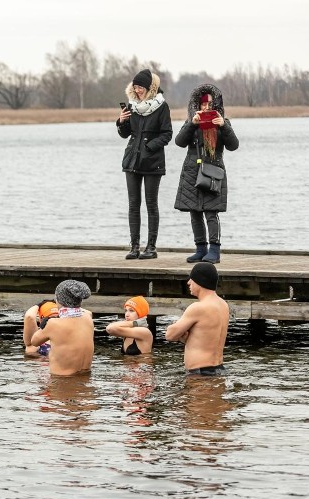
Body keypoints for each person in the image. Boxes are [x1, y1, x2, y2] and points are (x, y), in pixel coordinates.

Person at [173, 84, 240, 264]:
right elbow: (179, 142)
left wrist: (224, 126)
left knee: (211, 212)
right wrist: (191, 124)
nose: (206, 108)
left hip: (213, 171)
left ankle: (215, 250)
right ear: (197, 105)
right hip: (192, 171)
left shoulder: (223, 122)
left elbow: (234, 145)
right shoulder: (191, 121)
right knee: (194, 211)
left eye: (210, 104)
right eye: (203, 104)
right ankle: (200, 248)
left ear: (216, 105)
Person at [117, 68, 173, 260]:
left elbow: (167, 134)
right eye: (136, 87)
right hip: (132, 160)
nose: (138, 90)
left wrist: (150, 147)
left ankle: (151, 247)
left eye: (141, 87)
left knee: (151, 205)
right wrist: (121, 122)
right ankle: (134, 247)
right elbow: (125, 134)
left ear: (149, 88)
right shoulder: (132, 106)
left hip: (153, 162)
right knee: (133, 204)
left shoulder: (162, 107)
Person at [165, 263, 229, 375]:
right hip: (219, 369)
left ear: (200, 281)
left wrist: (173, 326)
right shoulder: (223, 305)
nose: (188, 282)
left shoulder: (198, 307)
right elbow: (206, 339)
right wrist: (185, 338)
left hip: (201, 373)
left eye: (192, 279)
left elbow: (170, 335)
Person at [29, 280, 94, 375]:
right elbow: (81, 312)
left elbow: (34, 342)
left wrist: (43, 325)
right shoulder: (88, 318)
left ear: (59, 300)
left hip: (61, 382)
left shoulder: (53, 324)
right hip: (85, 379)